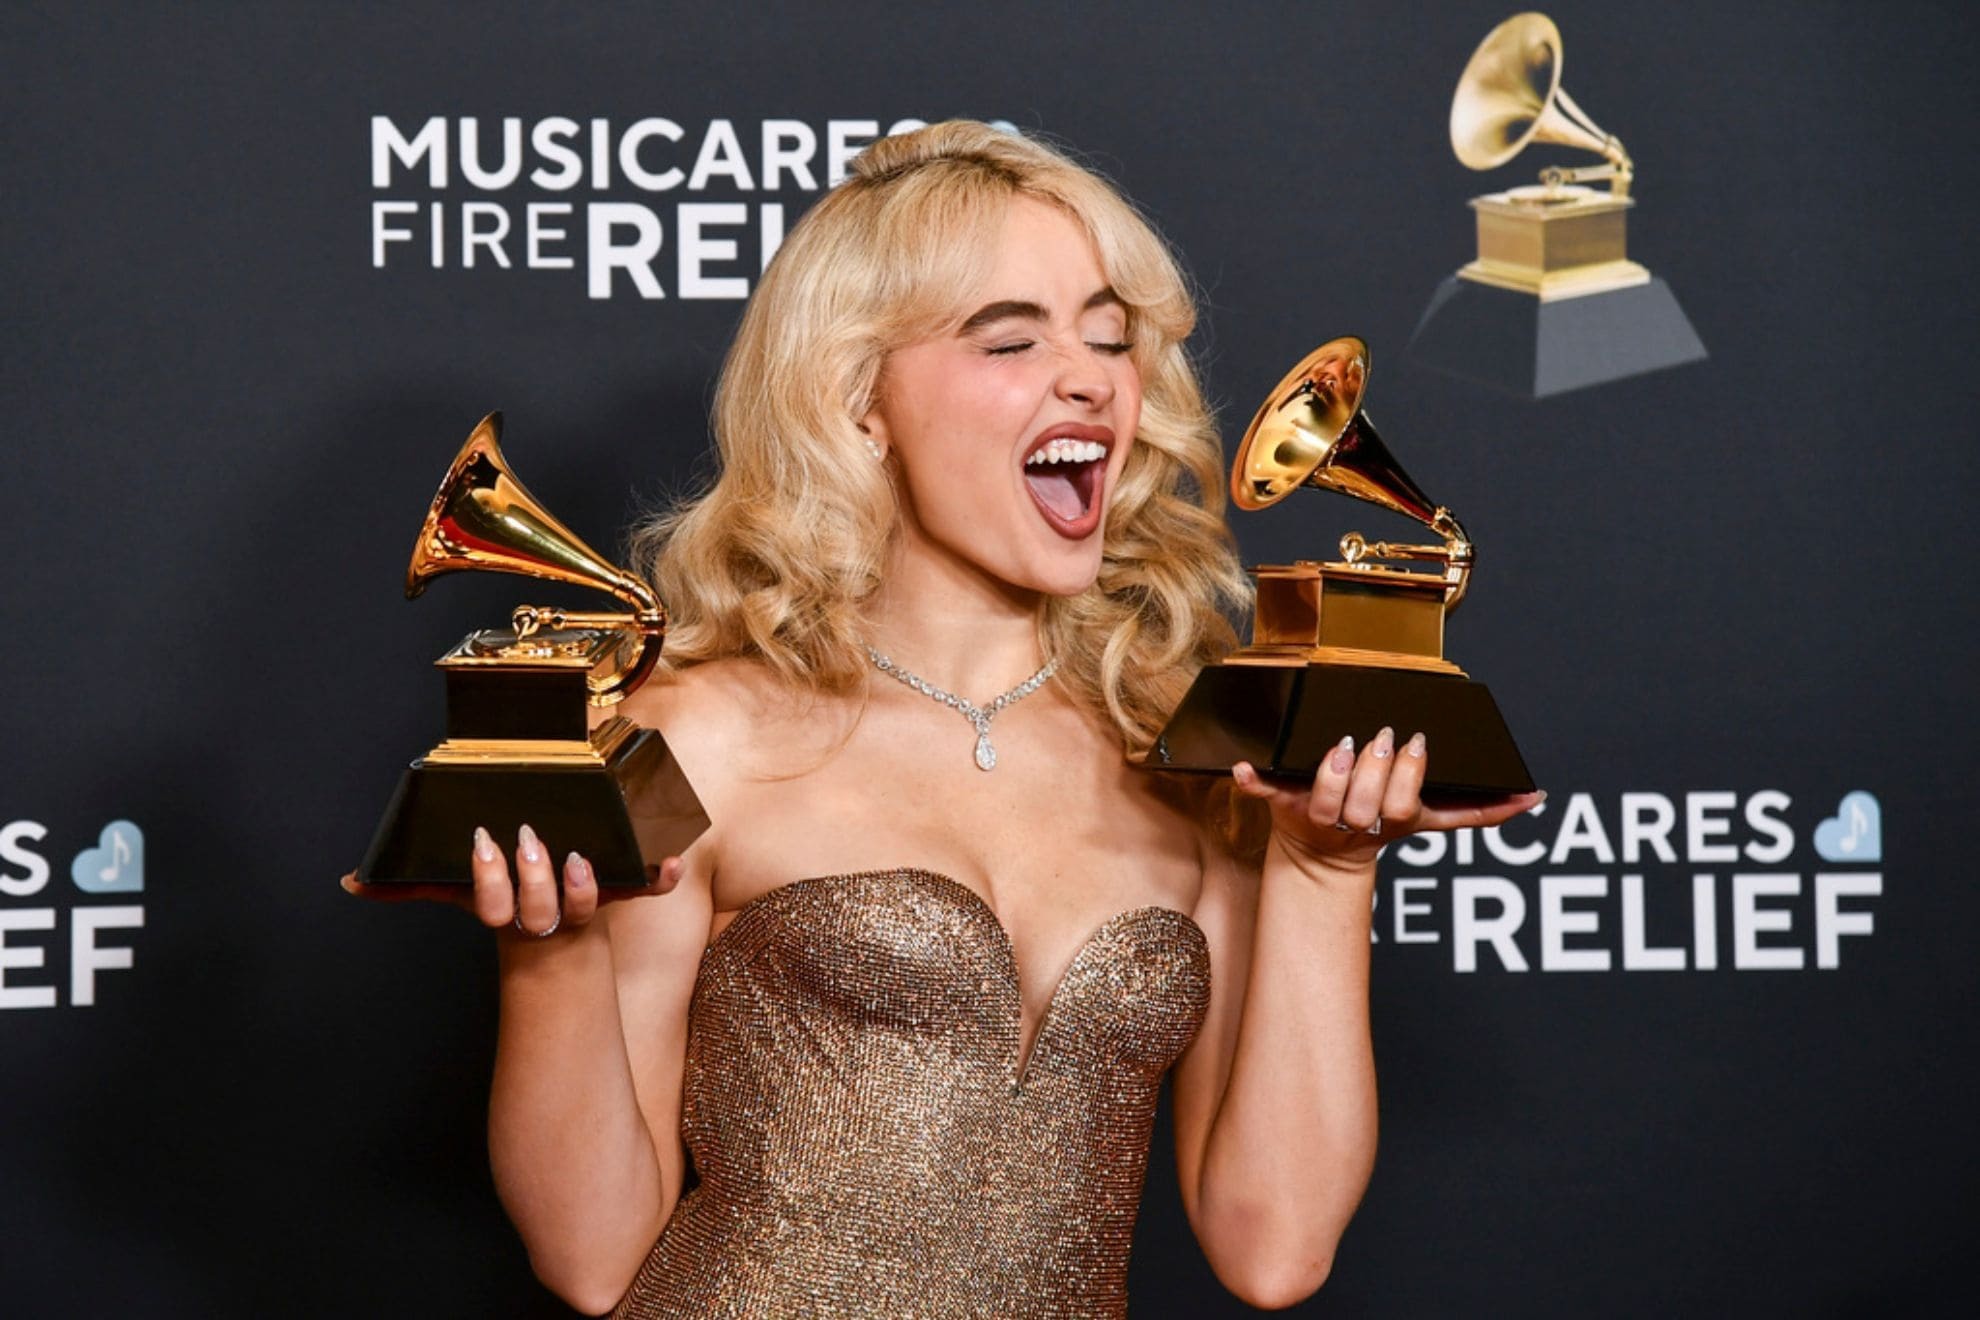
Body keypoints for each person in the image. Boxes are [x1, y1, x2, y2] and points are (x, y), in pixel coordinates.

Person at [346, 120, 1539, 1317]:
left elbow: (1274, 1249)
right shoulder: (705, 736)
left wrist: (1329, 873)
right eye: (1011, 339)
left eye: (1111, 338)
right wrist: (548, 952)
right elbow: (593, 1258)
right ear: (861, 400)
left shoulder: (1188, 754)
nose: (1090, 377)